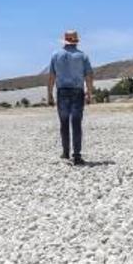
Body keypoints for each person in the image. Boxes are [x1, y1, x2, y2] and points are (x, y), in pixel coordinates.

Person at [48, 30, 93, 165]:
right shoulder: (82, 56)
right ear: (76, 41)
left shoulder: (55, 55)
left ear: (65, 40)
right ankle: (77, 155)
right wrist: (89, 92)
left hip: (62, 92)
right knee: (76, 123)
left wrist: (49, 94)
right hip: (77, 92)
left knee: (64, 123)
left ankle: (66, 152)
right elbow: (89, 75)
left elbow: (51, 76)